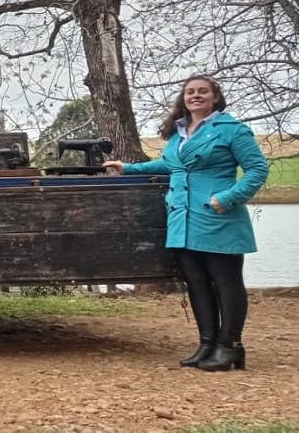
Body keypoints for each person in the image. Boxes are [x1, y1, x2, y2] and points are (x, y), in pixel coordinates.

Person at [102, 75, 268, 371]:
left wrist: (229, 198)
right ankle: (207, 344)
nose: (196, 95)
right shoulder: (179, 132)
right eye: (190, 91)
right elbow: (170, 165)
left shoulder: (231, 129)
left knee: (227, 282)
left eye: (203, 91)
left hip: (218, 216)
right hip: (182, 218)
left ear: (215, 97)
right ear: (184, 98)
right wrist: (128, 168)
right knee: (196, 282)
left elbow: (257, 169)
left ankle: (230, 346)